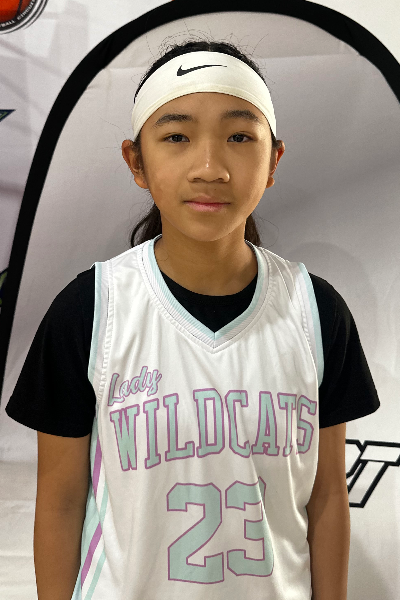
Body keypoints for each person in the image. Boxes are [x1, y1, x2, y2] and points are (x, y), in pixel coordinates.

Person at [6, 39, 380, 600]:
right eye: (177, 137)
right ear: (137, 161)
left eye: (239, 137)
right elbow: (60, 502)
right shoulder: (91, 309)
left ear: (274, 160)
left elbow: (327, 497)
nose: (210, 168)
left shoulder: (315, 310)